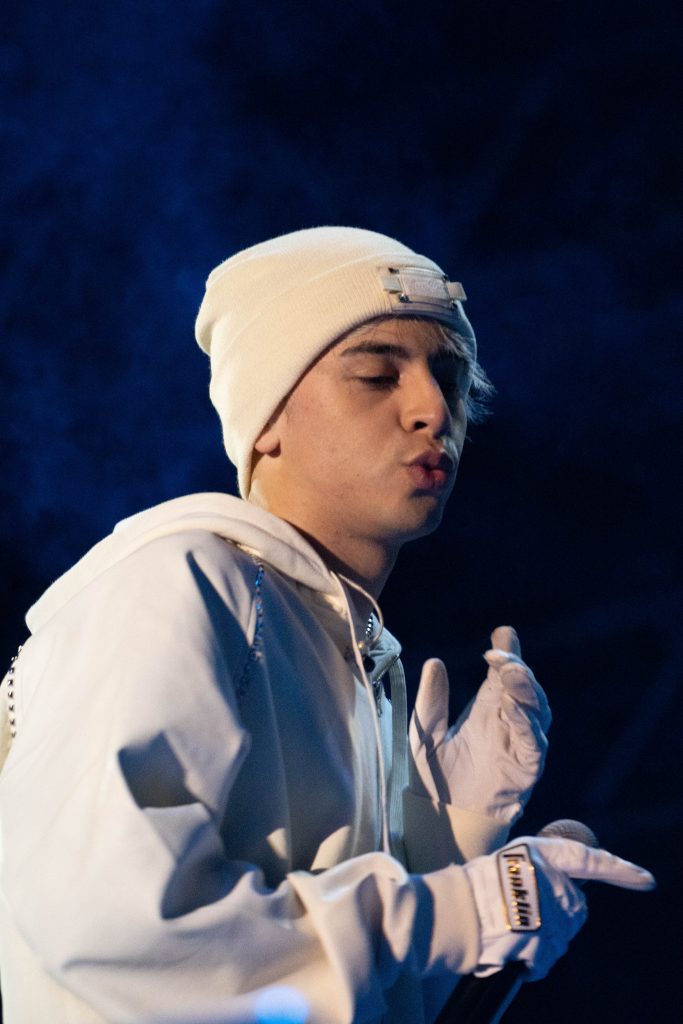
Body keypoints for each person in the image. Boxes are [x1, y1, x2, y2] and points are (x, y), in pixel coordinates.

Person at [0, 227, 654, 1024]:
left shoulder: (340, 645)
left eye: (451, 378)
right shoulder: (180, 578)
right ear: (265, 417)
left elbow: (319, 998)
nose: (433, 409)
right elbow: (112, 922)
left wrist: (448, 841)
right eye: (377, 375)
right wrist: (461, 910)